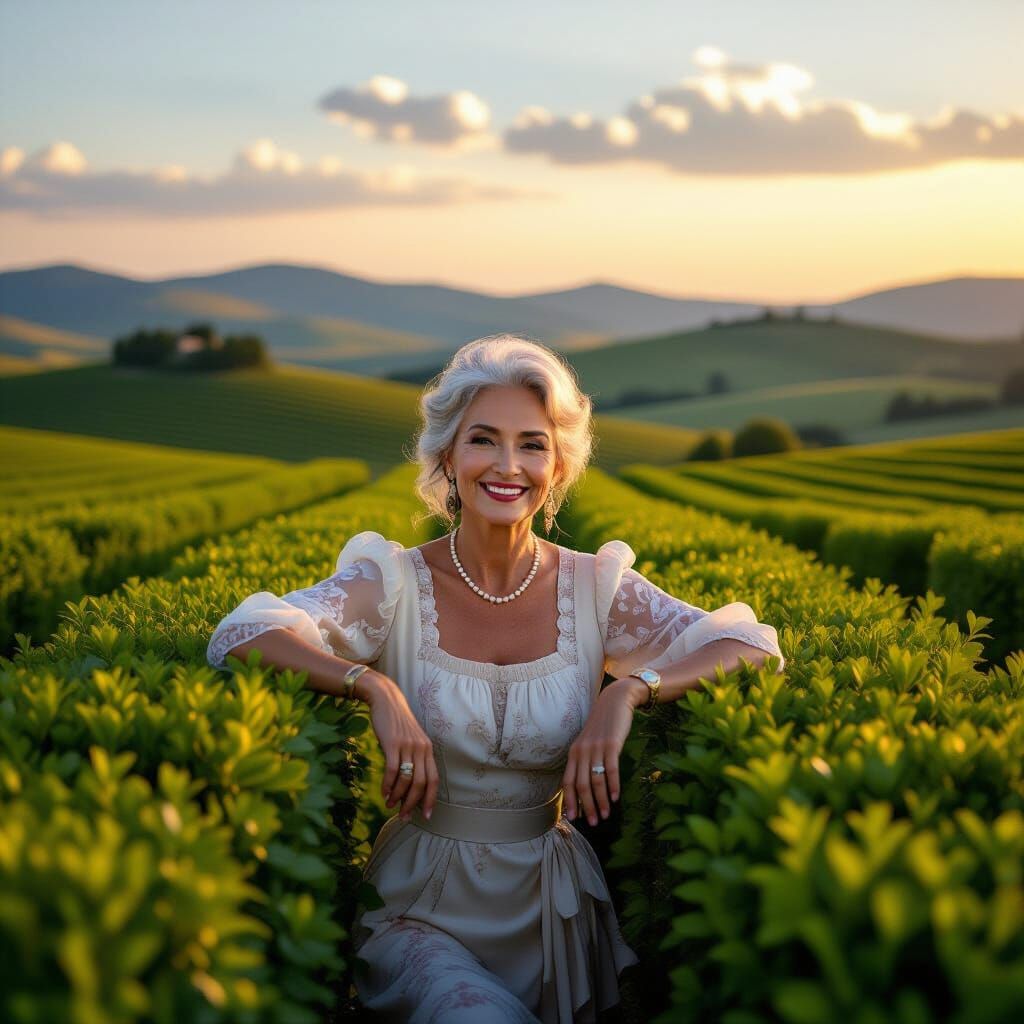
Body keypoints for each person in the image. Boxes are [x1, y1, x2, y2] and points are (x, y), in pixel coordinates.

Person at [206, 334, 786, 1023]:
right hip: (420, 906)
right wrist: (372, 686)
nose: (508, 465)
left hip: (553, 908)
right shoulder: (393, 582)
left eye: (532, 444)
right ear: (447, 456)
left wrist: (632, 689)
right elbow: (241, 635)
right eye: (484, 440)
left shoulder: (595, 589)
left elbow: (748, 643)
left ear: (559, 465)